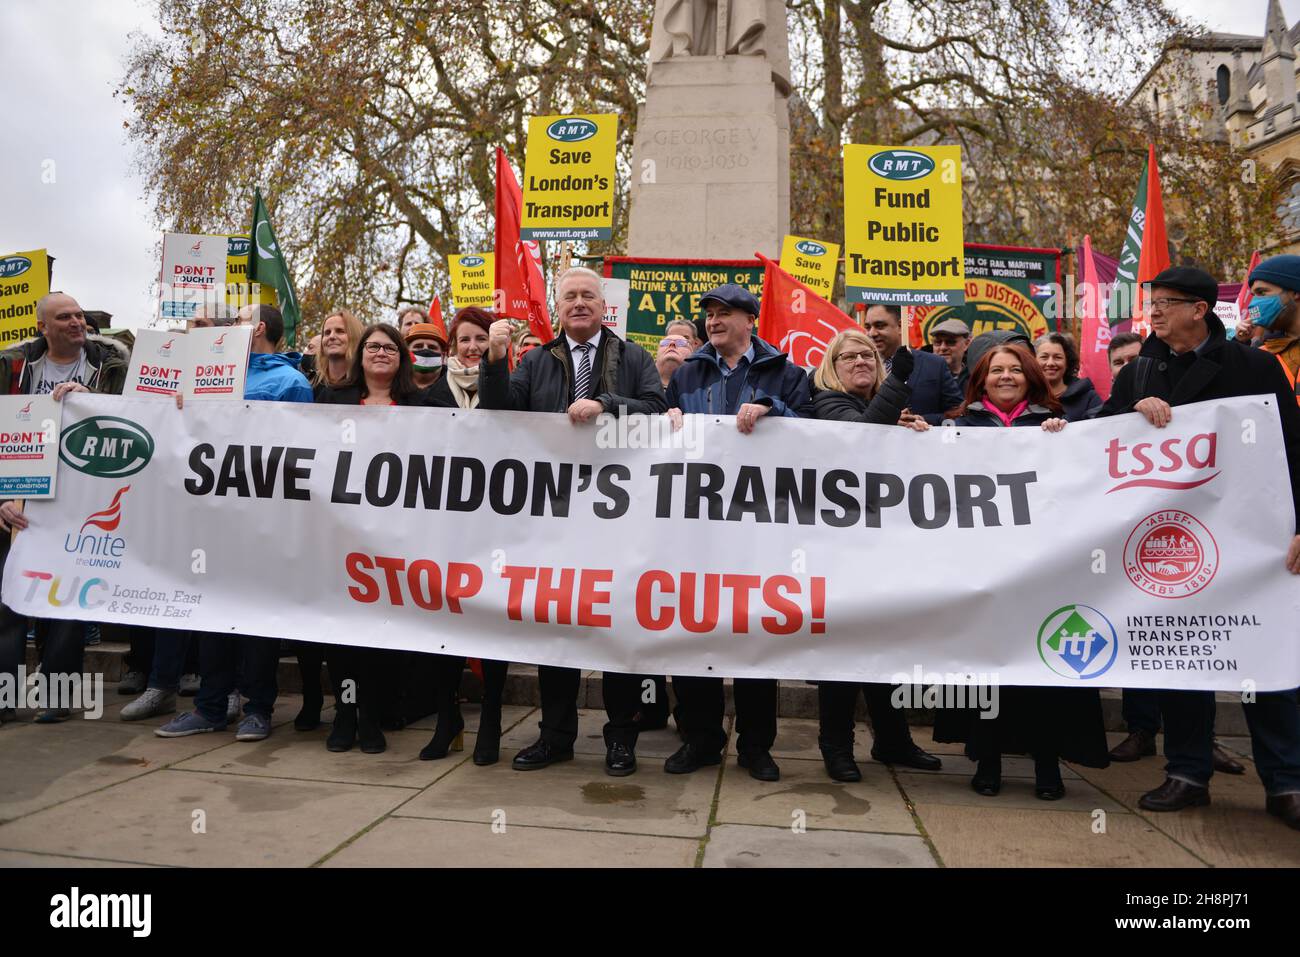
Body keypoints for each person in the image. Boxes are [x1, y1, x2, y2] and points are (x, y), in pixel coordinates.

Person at [1099, 265, 1300, 829]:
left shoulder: (1255, 366)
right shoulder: (1139, 371)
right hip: (1173, 542)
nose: (1154, 311)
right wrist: (1129, 416)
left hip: (1252, 541)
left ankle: (1286, 781)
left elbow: (1291, 447)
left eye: (1165, 302)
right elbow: (1099, 441)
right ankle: (1187, 773)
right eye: (1150, 301)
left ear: (1200, 309)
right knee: (1183, 656)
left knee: (1266, 658)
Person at [479, 266, 667, 775]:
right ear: (557, 308)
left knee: (615, 630)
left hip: (617, 518)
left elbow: (656, 407)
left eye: (588, 295)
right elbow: (500, 411)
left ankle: (620, 739)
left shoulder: (633, 357)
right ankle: (555, 736)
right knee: (555, 629)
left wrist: (607, 404)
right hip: (554, 520)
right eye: (569, 297)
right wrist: (495, 359)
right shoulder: (536, 360)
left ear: (604, 306)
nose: (579, 303)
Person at [933, 343, 1108, 798]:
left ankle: (1047, 765)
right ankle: (986, 759)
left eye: (1015, 370)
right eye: (996, 370)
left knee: (1042, 670)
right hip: (982, 570)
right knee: (988, 668)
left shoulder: (1057, 427)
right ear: (981, 378)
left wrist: (1065, 437)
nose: (1006, 377)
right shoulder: (957, 425)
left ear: (1031, 376)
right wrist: (915, 430)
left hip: (1042, 572)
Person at [664, 282, 812, 782]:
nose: (714, 320)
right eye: (709, 313)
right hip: (697, 527)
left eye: (725, 312)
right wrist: (668, 420)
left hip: (759, 528)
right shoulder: (687, 373)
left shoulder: (786, 373)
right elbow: (662, 436)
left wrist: (776, 411)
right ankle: (702, 739)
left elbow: (815, 437)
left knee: (753, 635)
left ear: (751, 320)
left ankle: (756, 745)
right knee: (694, 629)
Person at [156, 305, 313, 743]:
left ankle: (258, 708)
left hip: (263, 522)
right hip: (212, 520)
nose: (228, 327)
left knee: (257, 618)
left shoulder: (290, 383)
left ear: (258, 328)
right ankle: (209, 706)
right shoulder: (210, 377)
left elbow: (299, 456)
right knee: (211, 614)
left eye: (237, 319)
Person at [807, 329, 942, 780]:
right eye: (850, 356)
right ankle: (836, 748)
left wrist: (917, 435)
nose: (862, 361)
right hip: (838, 551)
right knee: (841, 652)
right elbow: (861, 443)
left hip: (882, 549)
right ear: (833, 366)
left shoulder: (887, 407)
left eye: (868, 354)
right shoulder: (827, 402)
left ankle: (893, 741)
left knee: (885, 649)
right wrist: (899, 383)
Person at [314, 323, 455, 753]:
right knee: (340, 634)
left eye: (389, 347)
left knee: (378, 634)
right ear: (361, 355)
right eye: (372, 346)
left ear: (401, 357)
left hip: (395, 540)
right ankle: (345, 711)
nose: (380, 353)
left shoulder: (426, 403)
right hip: (339, 534)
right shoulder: (330, 398)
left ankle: (371, 715)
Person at [0, 292, 131, 723]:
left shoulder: (112, 361)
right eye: (65, 317)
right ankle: (5, 699)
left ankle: (58, 695)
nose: (77, 322)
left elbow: (137, 416)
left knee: (68, 599)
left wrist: (92, 398)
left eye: (79, 315)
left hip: (82, 500)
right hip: (18, 497)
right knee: (9, 603)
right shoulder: (12, 365)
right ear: (42, 328)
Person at [860, 304, 962, 423]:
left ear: (900, 326)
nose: (872, 333)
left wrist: (923, 419)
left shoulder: (934, 365)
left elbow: (958, 412)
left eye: (880, 326)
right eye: (867, 327)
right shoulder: (860, 367)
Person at [1240, 253, 1300, 404]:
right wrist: (1241, 344)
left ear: (1295, 293)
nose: (1254, 303)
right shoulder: (1262, 354)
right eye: (1253, 295)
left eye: (1262, 293)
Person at [429, 307, 491, 409]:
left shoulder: (508, 388)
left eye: (481, 339)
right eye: (465, 340)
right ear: (455, 346)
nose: (473, 347)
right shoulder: (434, 393)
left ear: (492, 342)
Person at [1034, 331, 1102, 421]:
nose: (1050, 363)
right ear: (1033, 361)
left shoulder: (1088, 398)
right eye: (1044, 357)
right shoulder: (1025, 399)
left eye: (1057, 357)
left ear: (1067, 363)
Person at [309, 309, 364, 399]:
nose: (331, 336)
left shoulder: (367, 387)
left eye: (340, 331)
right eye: (327, 333)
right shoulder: (311, 385)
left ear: (355, 337)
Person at [928, 318, 972, 394]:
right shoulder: (920, 375)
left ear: (966, 344)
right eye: (937, 342)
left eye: (950, 342)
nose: (942, 347)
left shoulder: (976, 377)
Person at [405, 322, 447, 391]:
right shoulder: (391, 386)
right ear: (406, 353)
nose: (425, 350)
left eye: (432, 347)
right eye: (418, 346)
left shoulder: (456, 386)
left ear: (443, 356)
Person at [655, 324, 696, 390]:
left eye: (681, 342)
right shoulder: (637, 380)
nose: (672, 344)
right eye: (666, 342)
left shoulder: (706, 386)